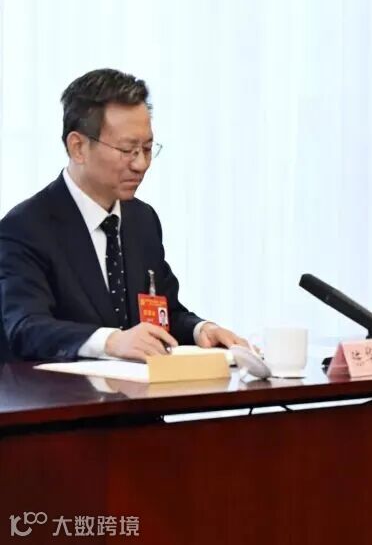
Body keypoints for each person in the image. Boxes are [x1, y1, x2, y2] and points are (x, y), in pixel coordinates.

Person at [0, 68, 249, 361]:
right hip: (64, 390)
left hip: (138, 389)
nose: (141, 164)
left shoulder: (142, 220)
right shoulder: (25, 227)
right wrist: (111, 341)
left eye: (147, 148)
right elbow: (25, 327)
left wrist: (200, 329)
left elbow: (161, 313)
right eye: (128, 150)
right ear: (78, 147)